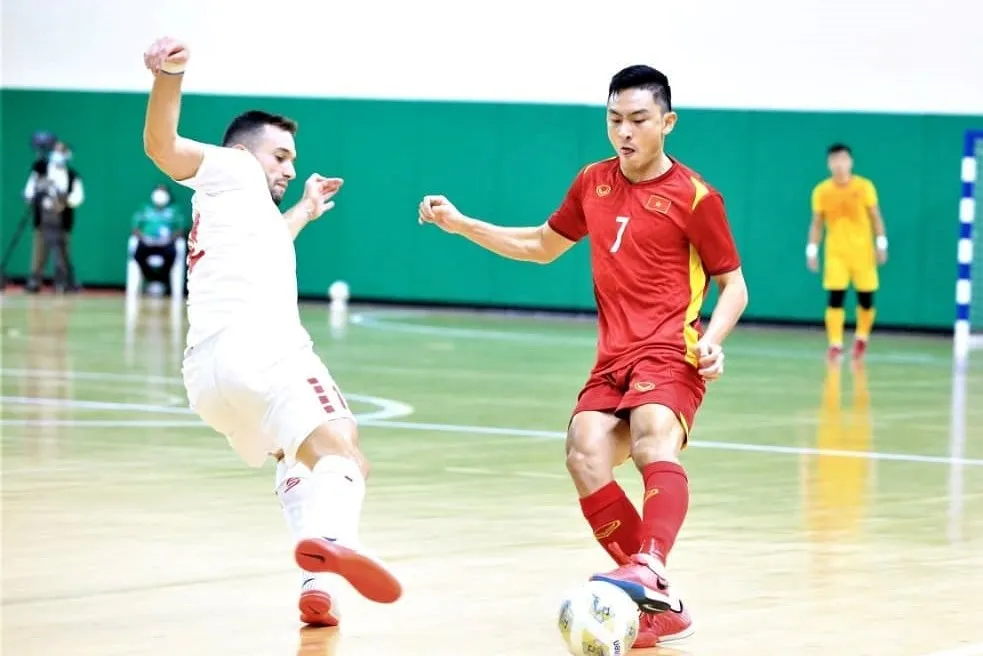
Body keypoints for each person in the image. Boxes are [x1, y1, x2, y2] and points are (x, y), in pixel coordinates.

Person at [418, 65, 748, 648]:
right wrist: (462, 224)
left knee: (651, 437)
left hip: (672, 350)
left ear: (667, 123)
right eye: (615, 119)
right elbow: (543, 246)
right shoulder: (593, 182)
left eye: (639, 120)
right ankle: (661, 602)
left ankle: (649, 565)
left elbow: (734, 285)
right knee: (584, 453)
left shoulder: (696, 197)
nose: (625, 132)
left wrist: (715, 338)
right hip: (613, 358)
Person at [140, 36, 402, 627]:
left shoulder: (236, 209)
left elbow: (270, 244)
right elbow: (162, 146)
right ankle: (332, 546)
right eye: (280, 156)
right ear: (244, 151)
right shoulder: (230, 168)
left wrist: (306, 209)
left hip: (208, 381)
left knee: (295, 457)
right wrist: (170, 77)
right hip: (262, 353)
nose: (289, 167)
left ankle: (319, 587)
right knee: (345, 455)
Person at [806, 143, 888, 362]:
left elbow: (875, 216)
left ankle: (861, 337)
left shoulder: (864, 187)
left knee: (866, 299)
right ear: (829, 164)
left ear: (850, 162)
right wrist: (812, 250)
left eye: (843, 159)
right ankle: (835, 343)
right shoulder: (822, 191)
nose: (839, 165)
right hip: (836, 253)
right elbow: (817, 222)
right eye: (834, 160)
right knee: (835, 298)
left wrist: (881, 244)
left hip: (863, 253)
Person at [23, 140, 84, 293]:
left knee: (63, 253)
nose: (58, 154)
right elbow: (28, 192)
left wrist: (64, 201)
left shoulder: (72, 175)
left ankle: (62, 283)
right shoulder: (40, 170)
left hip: (63, 220)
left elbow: (77, 198)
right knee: (39, 252)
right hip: (42, 218)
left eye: (61, 151)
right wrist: (40, 197)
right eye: (55, 150)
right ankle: (35, 281)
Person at [131, 183, 186, 295]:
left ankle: (162, 281)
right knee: (137, 254)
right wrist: (144, 238)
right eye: (158, 191)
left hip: (166, 244)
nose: (160, 195)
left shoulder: (174, 210)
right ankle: (152, 279)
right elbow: (135, 229)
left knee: (172, 254)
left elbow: (180, 230)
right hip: (147, 243)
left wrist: (169, 239)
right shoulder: (145, 208)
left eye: (163, 191)